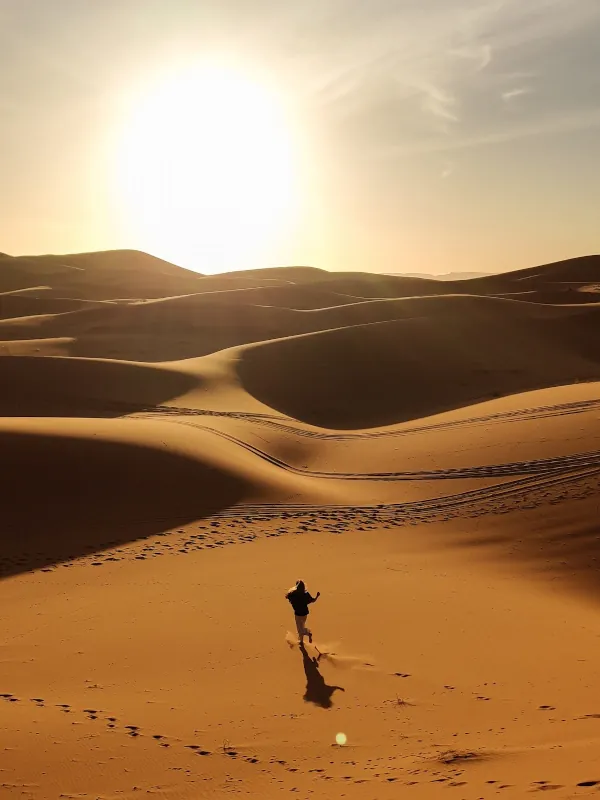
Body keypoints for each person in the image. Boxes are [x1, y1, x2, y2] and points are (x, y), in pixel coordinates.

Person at [286, 579, 320, 644]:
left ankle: (308, 633)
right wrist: (317, 596)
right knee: (301, 627)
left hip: (298, 614)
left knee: (300, 629)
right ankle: (301, 641)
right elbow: (313, 601)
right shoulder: (306, 594)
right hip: (304, 614)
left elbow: (287, 596)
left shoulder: (293, 594)